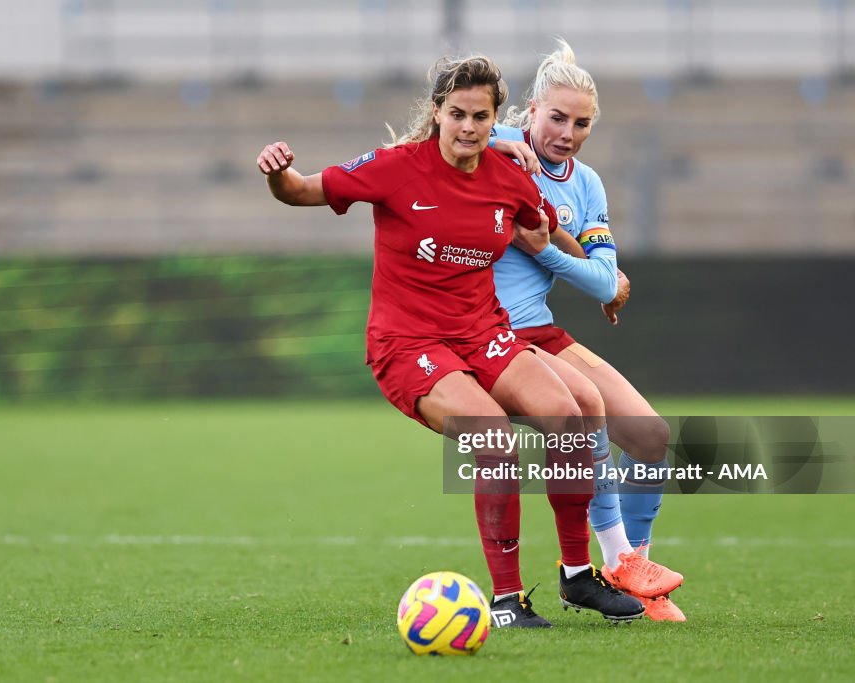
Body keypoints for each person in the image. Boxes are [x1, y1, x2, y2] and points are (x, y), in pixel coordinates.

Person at [257, 55, 644, 626]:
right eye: (457, 113)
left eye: (480, 116)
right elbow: (299, 191)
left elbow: (543, 224)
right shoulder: (394, 168)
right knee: (494, 438)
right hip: (407, 343)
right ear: (437, 112)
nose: (468, 126)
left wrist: (605, 277)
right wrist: (276, 172)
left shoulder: (507, 173)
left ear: (495, 121)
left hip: (482, 333)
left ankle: (577, 576)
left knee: (569, 415)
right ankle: (509, 600)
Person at [489, 40, 685, 621]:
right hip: (489, 335)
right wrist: (500, 140)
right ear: (529, 112)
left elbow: (604, 283)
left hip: (543, 333)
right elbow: (447, 138)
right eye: (556, 117)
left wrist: (544, 247)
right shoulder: (496, 151)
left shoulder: (587, 184)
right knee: (587, 415)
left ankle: (636, 578)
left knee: (650, 435)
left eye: (581, 123)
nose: (567, 132)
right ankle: (616, 559)